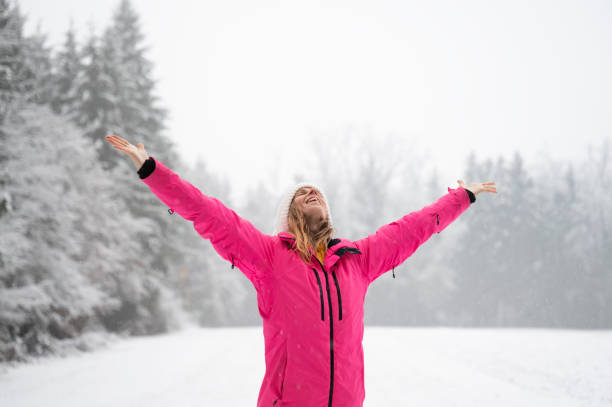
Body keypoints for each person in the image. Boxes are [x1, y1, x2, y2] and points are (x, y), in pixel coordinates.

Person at [105, 134, 498, 407]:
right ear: (288, 214)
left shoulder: (357, 261)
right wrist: (154, 172)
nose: (312, 193)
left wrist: (461, 197)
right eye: (301, 194)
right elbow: (211, 215)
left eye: (318, 194)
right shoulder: (269, 259)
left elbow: (411, 228)